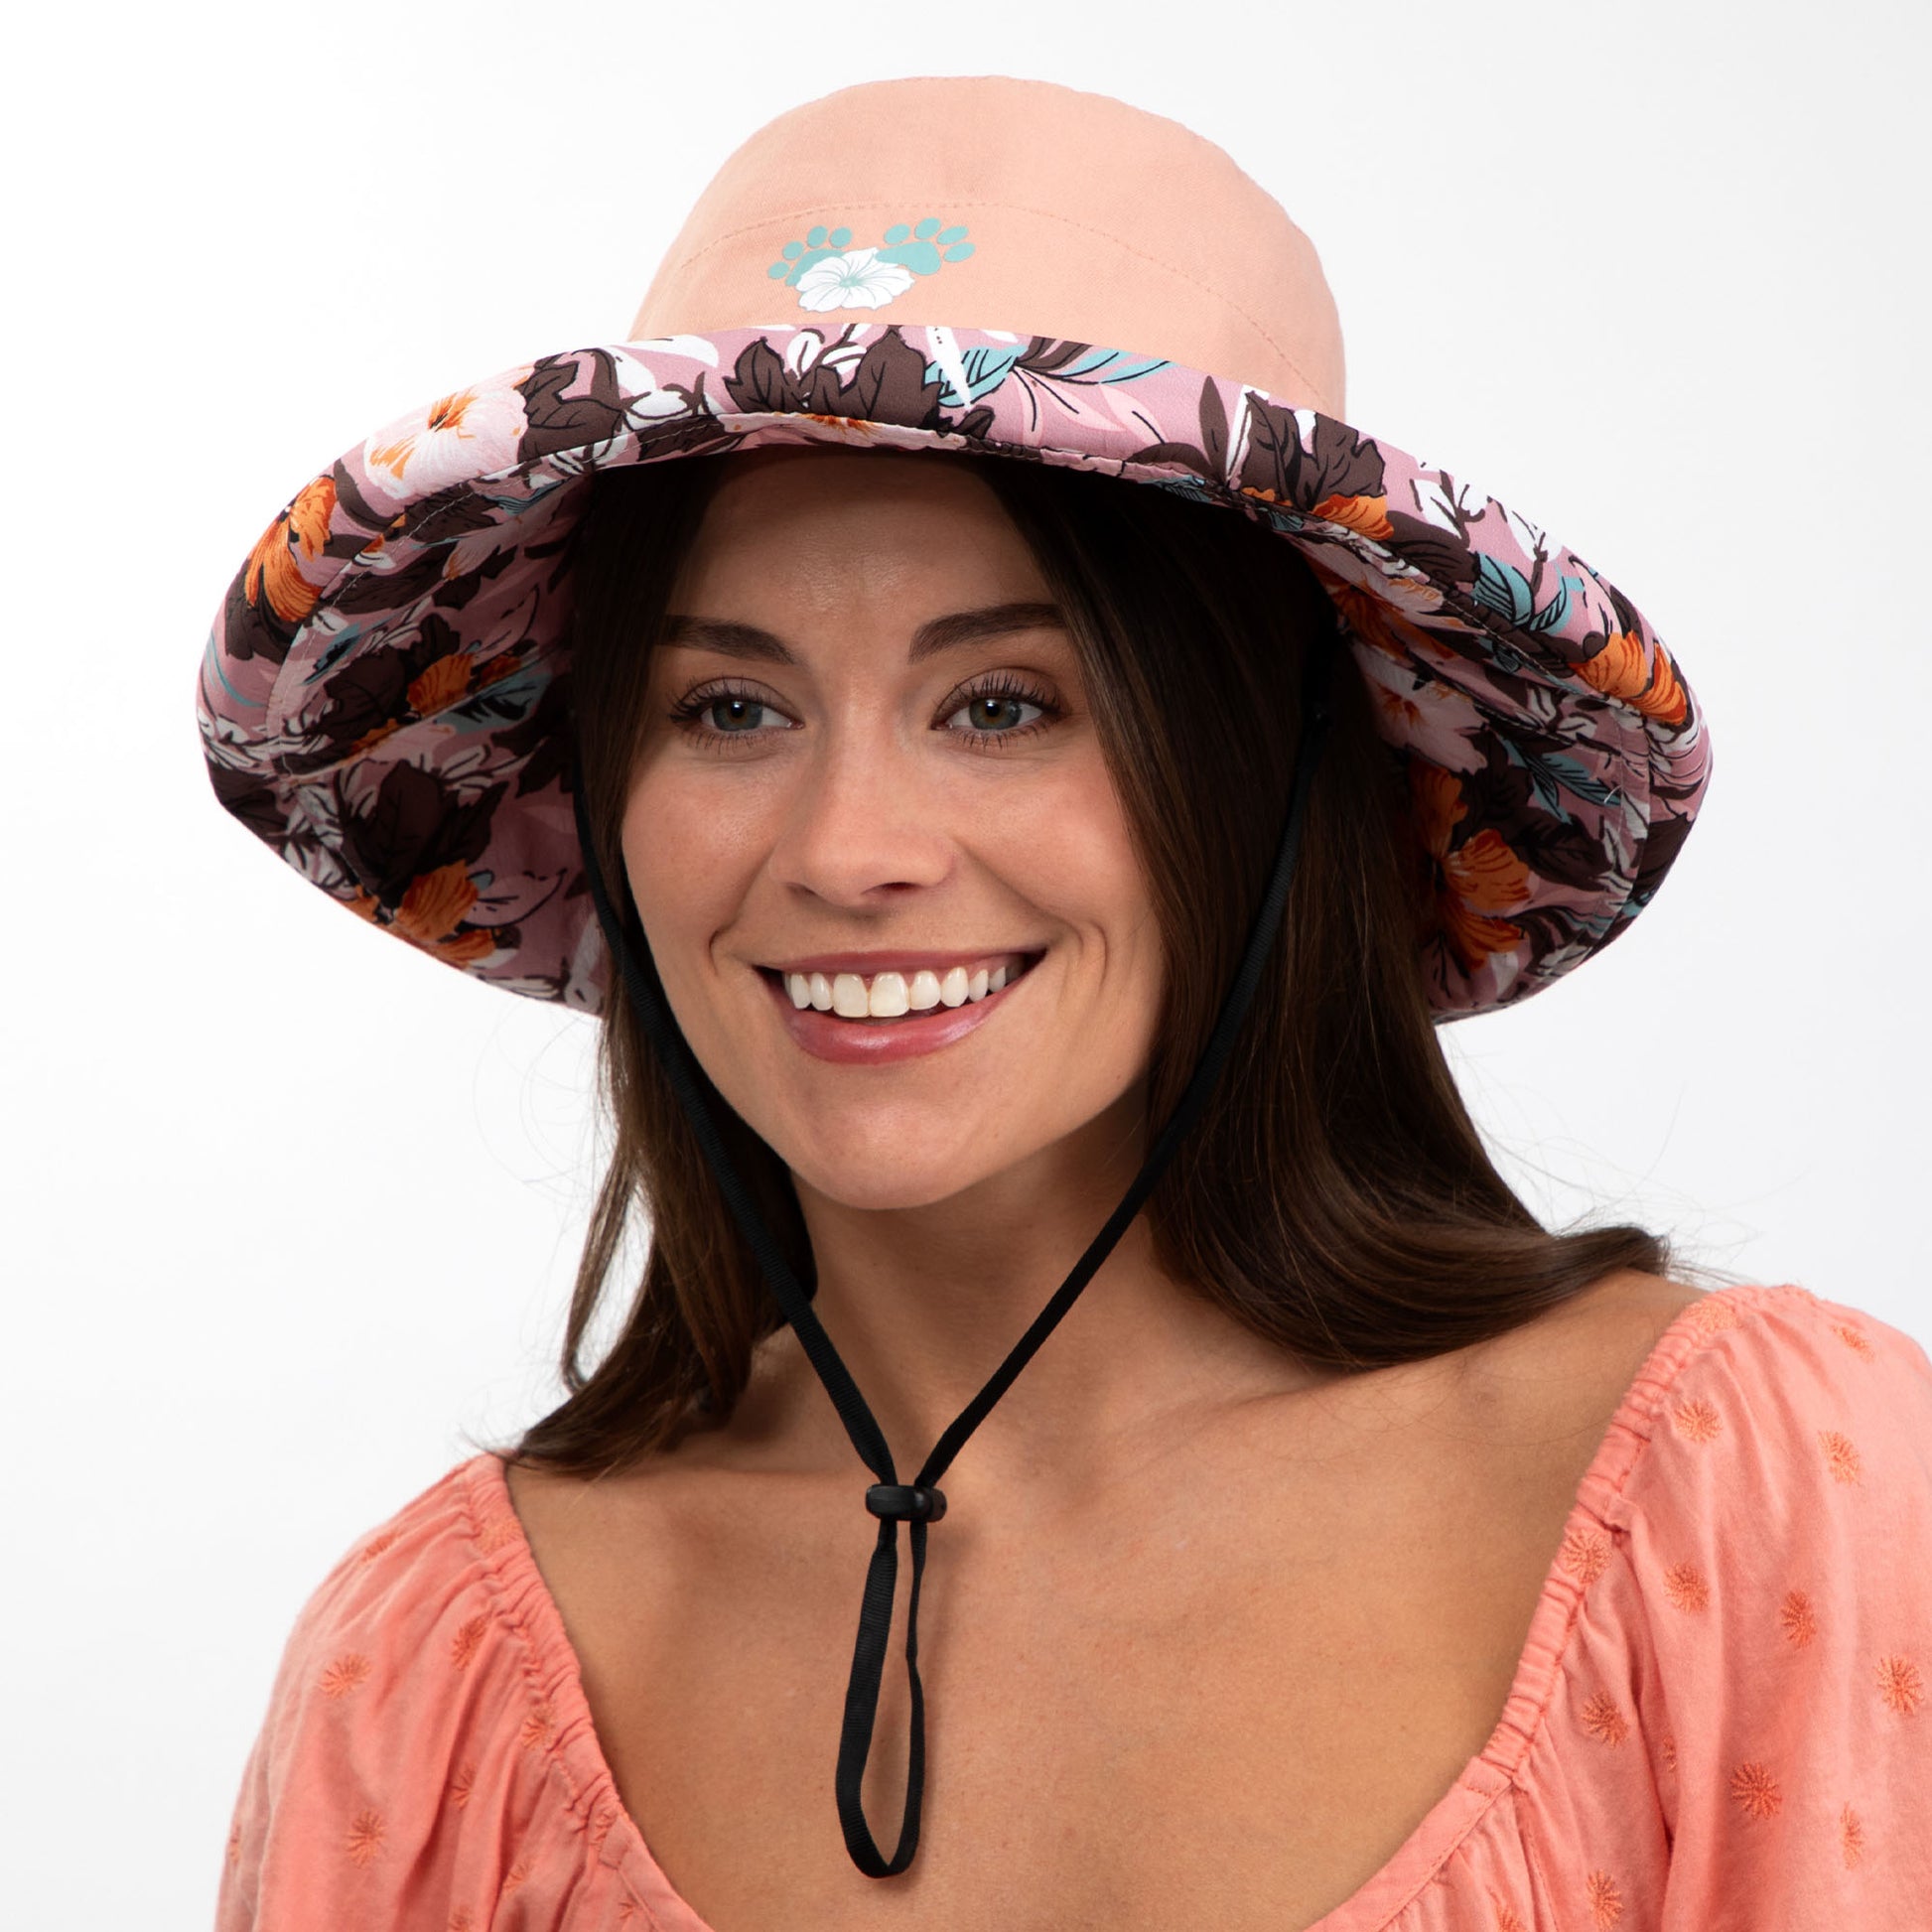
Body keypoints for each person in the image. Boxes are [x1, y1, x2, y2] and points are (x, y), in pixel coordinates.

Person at [200, 74, 1932, 1931]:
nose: (849, 849)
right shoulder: (431, 1688)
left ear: (1270, 772)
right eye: (730, 708)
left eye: (1003, 703)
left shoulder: (1767, 1507)